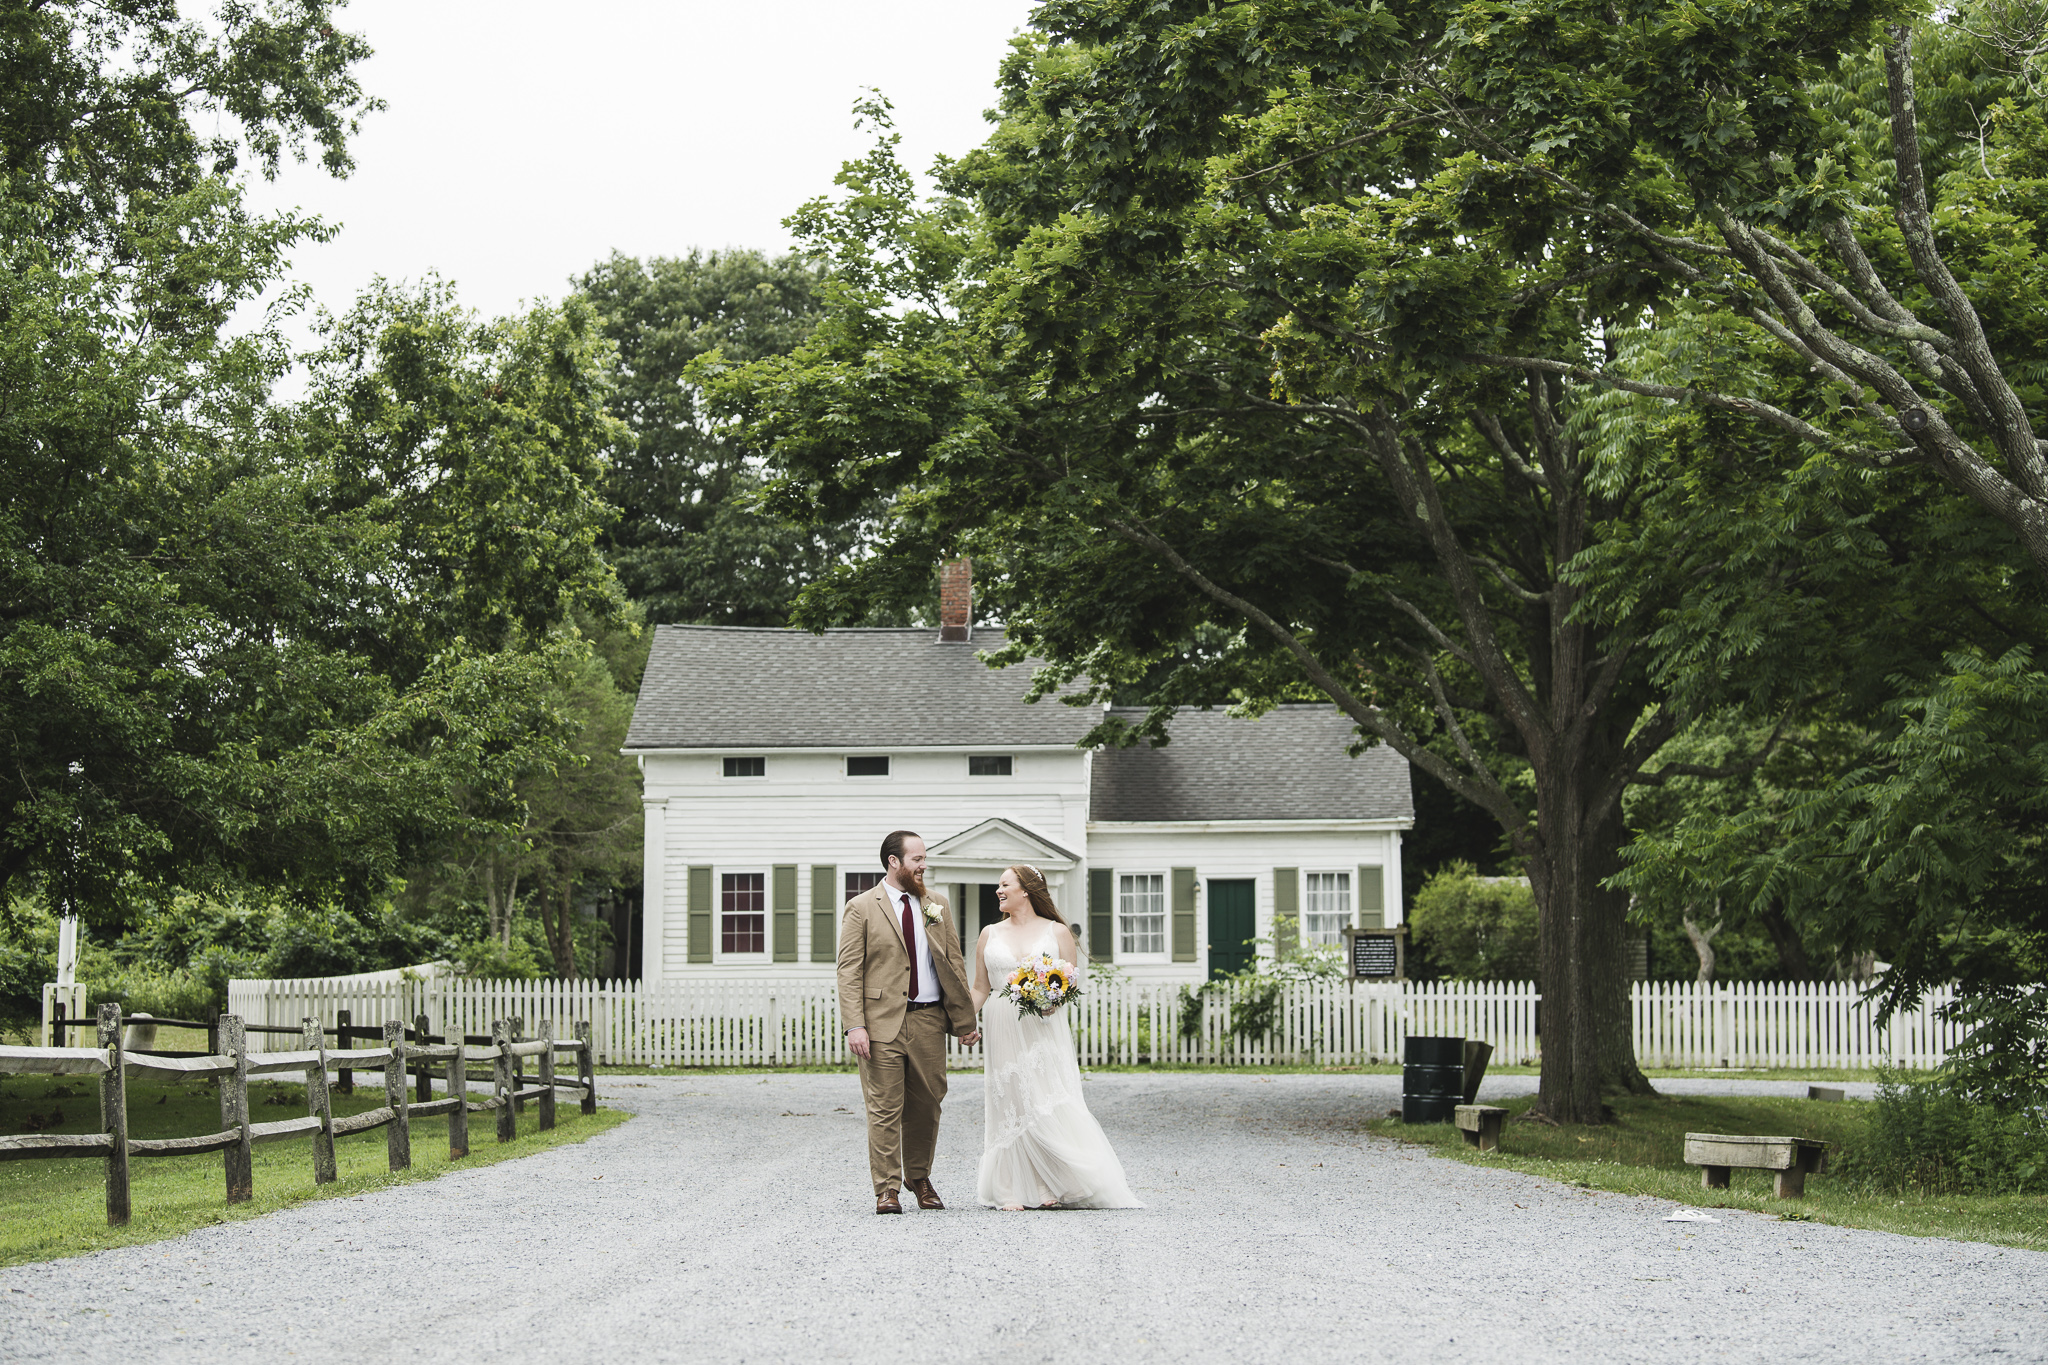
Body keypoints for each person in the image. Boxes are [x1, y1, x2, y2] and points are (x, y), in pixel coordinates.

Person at [971, 863, 1142, 1210]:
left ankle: (1051, 1183)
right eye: (998, 886)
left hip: (1042, 1025)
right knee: (1011, 1100)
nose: (998, 891)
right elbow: (979, 987)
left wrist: (1050, 1001)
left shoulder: (1058, 932)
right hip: (1002, 1022)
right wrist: (961, 1022)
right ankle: (1010, 1187)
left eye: (1005, 885)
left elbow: (1069, 983)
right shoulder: (989, 933)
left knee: (1045, 1098)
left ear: (1026, 890)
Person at [838, 830, 980, 1214]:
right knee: (884, 1107)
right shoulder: (862, 907)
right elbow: (848, 970)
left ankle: (918, 1176)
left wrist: (964, 1019)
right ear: (893, 862)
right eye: (916, 859)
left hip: (929, 1021)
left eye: (924, 858)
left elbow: (953, 962)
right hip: (880, 1023)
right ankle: (887, 1188)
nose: (924, 865)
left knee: (928, 1104)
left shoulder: (937, 904)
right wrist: (855, 1025)